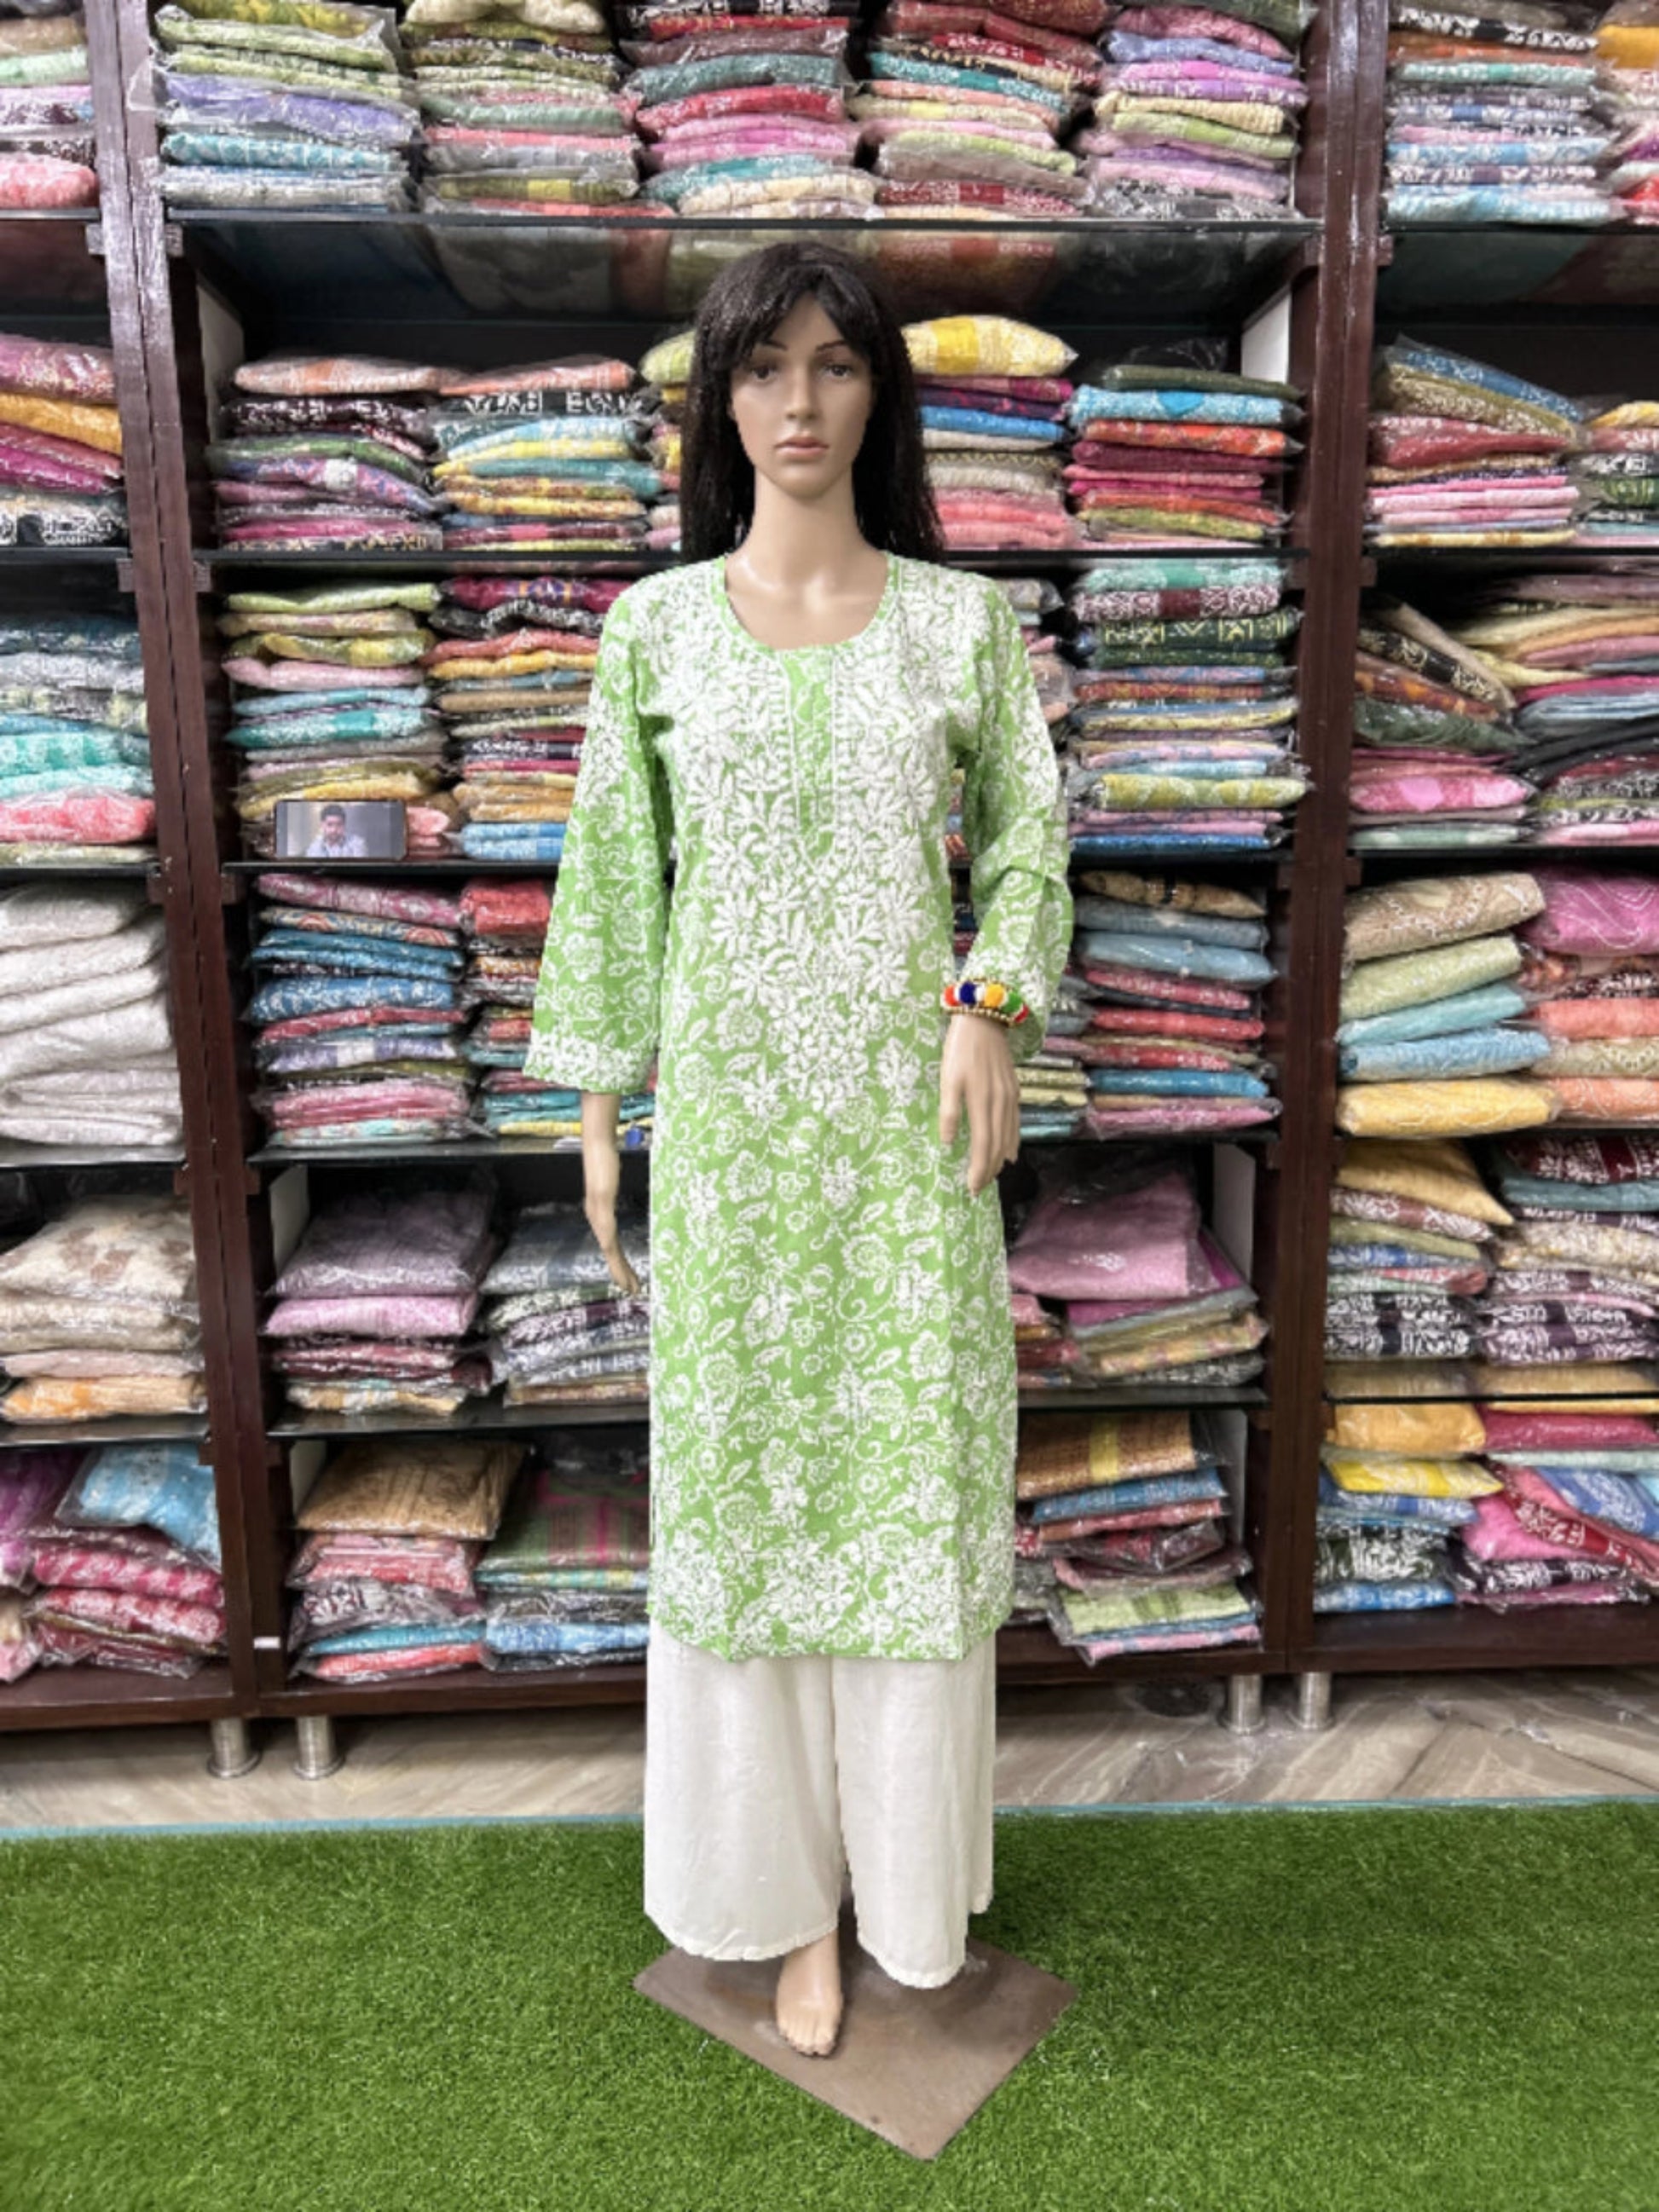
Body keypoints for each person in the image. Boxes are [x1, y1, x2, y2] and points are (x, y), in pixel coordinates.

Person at [525, 241, 1072, 2059]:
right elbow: (611, 874)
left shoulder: (960, 623)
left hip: (912, 1157)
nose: (801, 403)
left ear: (879, 395)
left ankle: (903, 1888)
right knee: (753, 1498)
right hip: (738, 1146)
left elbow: (1024, 849)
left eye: (838, 366)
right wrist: (600, 1113)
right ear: (720, 399)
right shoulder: (654, 629)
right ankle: (790, 1911)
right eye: (765, 368)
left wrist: (990, 1001)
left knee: (899, 1490)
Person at [303, 803, 367, 859]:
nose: (334, 830)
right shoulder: (314, 848)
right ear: (322, 825)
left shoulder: (357, 844)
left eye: (339, 825)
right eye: (330, 825)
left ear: (344, 825)